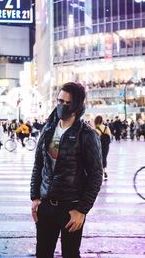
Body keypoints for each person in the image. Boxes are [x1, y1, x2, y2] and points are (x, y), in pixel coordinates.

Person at [30, 82, 103, 258]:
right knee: (43, 253)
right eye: (59, 101)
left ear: (77, 105)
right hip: (46, 205)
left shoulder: (86, 134)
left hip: (71, 208)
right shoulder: (48, 129)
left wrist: (82, 210)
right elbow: (39, 164)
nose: (61, 106)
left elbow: (96, 175)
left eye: (67, 103)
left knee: (70, 254)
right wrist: (35, 197)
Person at [94, 115, 111, 180]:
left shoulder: (96, 129)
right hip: (106, 146)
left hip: (99, 146)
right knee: (104, 158)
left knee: (99, 159)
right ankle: (105, 171)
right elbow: (110, 137)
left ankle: (100, 172)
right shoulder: (106, 128)